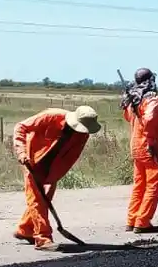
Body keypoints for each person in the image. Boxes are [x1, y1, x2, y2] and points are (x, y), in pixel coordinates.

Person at [11, 106, 101, 251]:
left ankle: (25, 229)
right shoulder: (51, 116)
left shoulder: (83, 134)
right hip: (31, 160)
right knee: (37, 200)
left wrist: (54, 176)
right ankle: (43, 238)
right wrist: (21, 152)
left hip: (51, 167)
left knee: (44, 198)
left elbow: (70, 157)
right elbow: (21, 127)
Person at [122, 67, 158, 233]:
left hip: (136, 146)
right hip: (148, 147)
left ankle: (132, 219)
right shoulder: (151, 99)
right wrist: (151, 141)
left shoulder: (133, 100)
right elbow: (149, 119)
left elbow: (127, 117)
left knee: (139, 184)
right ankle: (142, 222)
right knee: (153, 185)